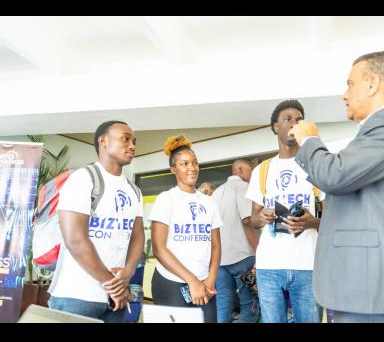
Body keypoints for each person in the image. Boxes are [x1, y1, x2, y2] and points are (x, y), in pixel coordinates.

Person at [289, 51, 384, 323]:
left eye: (350, 83)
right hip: (364, 288)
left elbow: (335, 175)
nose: (345, 94)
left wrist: (309, 141)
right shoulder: (379, 129)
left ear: (373, 84)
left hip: (373, 288)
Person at [48, 120, 145, 323]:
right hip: (77, 296)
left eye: (134, 141)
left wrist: (126, 274)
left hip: (114, 298)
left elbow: (137, 237)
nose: (132, 146)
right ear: (103, 141)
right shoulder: (83, 178)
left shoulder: (134, 190)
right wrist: (113, 284)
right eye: (125, 139)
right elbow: (75, 239)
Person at [246, 99, 324, 323]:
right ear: (275, 127)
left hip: (308, 265)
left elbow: (333, 218)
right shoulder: (263, 170)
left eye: (299, 120)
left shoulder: (316, 165)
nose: (293, 124)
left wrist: (312, 223)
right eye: (287, 119)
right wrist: (261, 216)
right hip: (269, 266)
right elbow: (253, 220)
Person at [149, 134, 222, 323]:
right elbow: (159, 248)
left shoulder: (209, 202)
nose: (192, 168)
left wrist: (210, 279)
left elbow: (215, 245)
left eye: (194, 163)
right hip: (171, 282)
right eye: (184, 163)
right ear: (173, 169)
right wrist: (192, 281)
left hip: (204, 282)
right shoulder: (166, 199)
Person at [212, 158, 260, 323]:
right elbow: (247, 221)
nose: (252, 176)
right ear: (239, 170)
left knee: (223, 304)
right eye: (250, 171)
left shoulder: (216, 192)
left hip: (219, 260)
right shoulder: (244, 187)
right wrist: (259, 251)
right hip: (243, 257)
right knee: (251, 304)